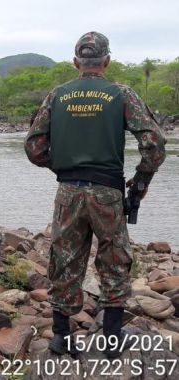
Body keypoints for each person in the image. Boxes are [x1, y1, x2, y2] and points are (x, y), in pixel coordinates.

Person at [24, 31, 166, 358]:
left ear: (76, 62)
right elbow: (155, 145)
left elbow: (33, 147)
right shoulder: (121, 94)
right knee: (115, 259)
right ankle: (112, 340)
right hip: (108, 191)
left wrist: (64, 167)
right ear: (107, 61)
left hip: (68, 192)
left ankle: (61, 336)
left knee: (64, 257)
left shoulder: (57, 95)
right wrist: (140, 183)